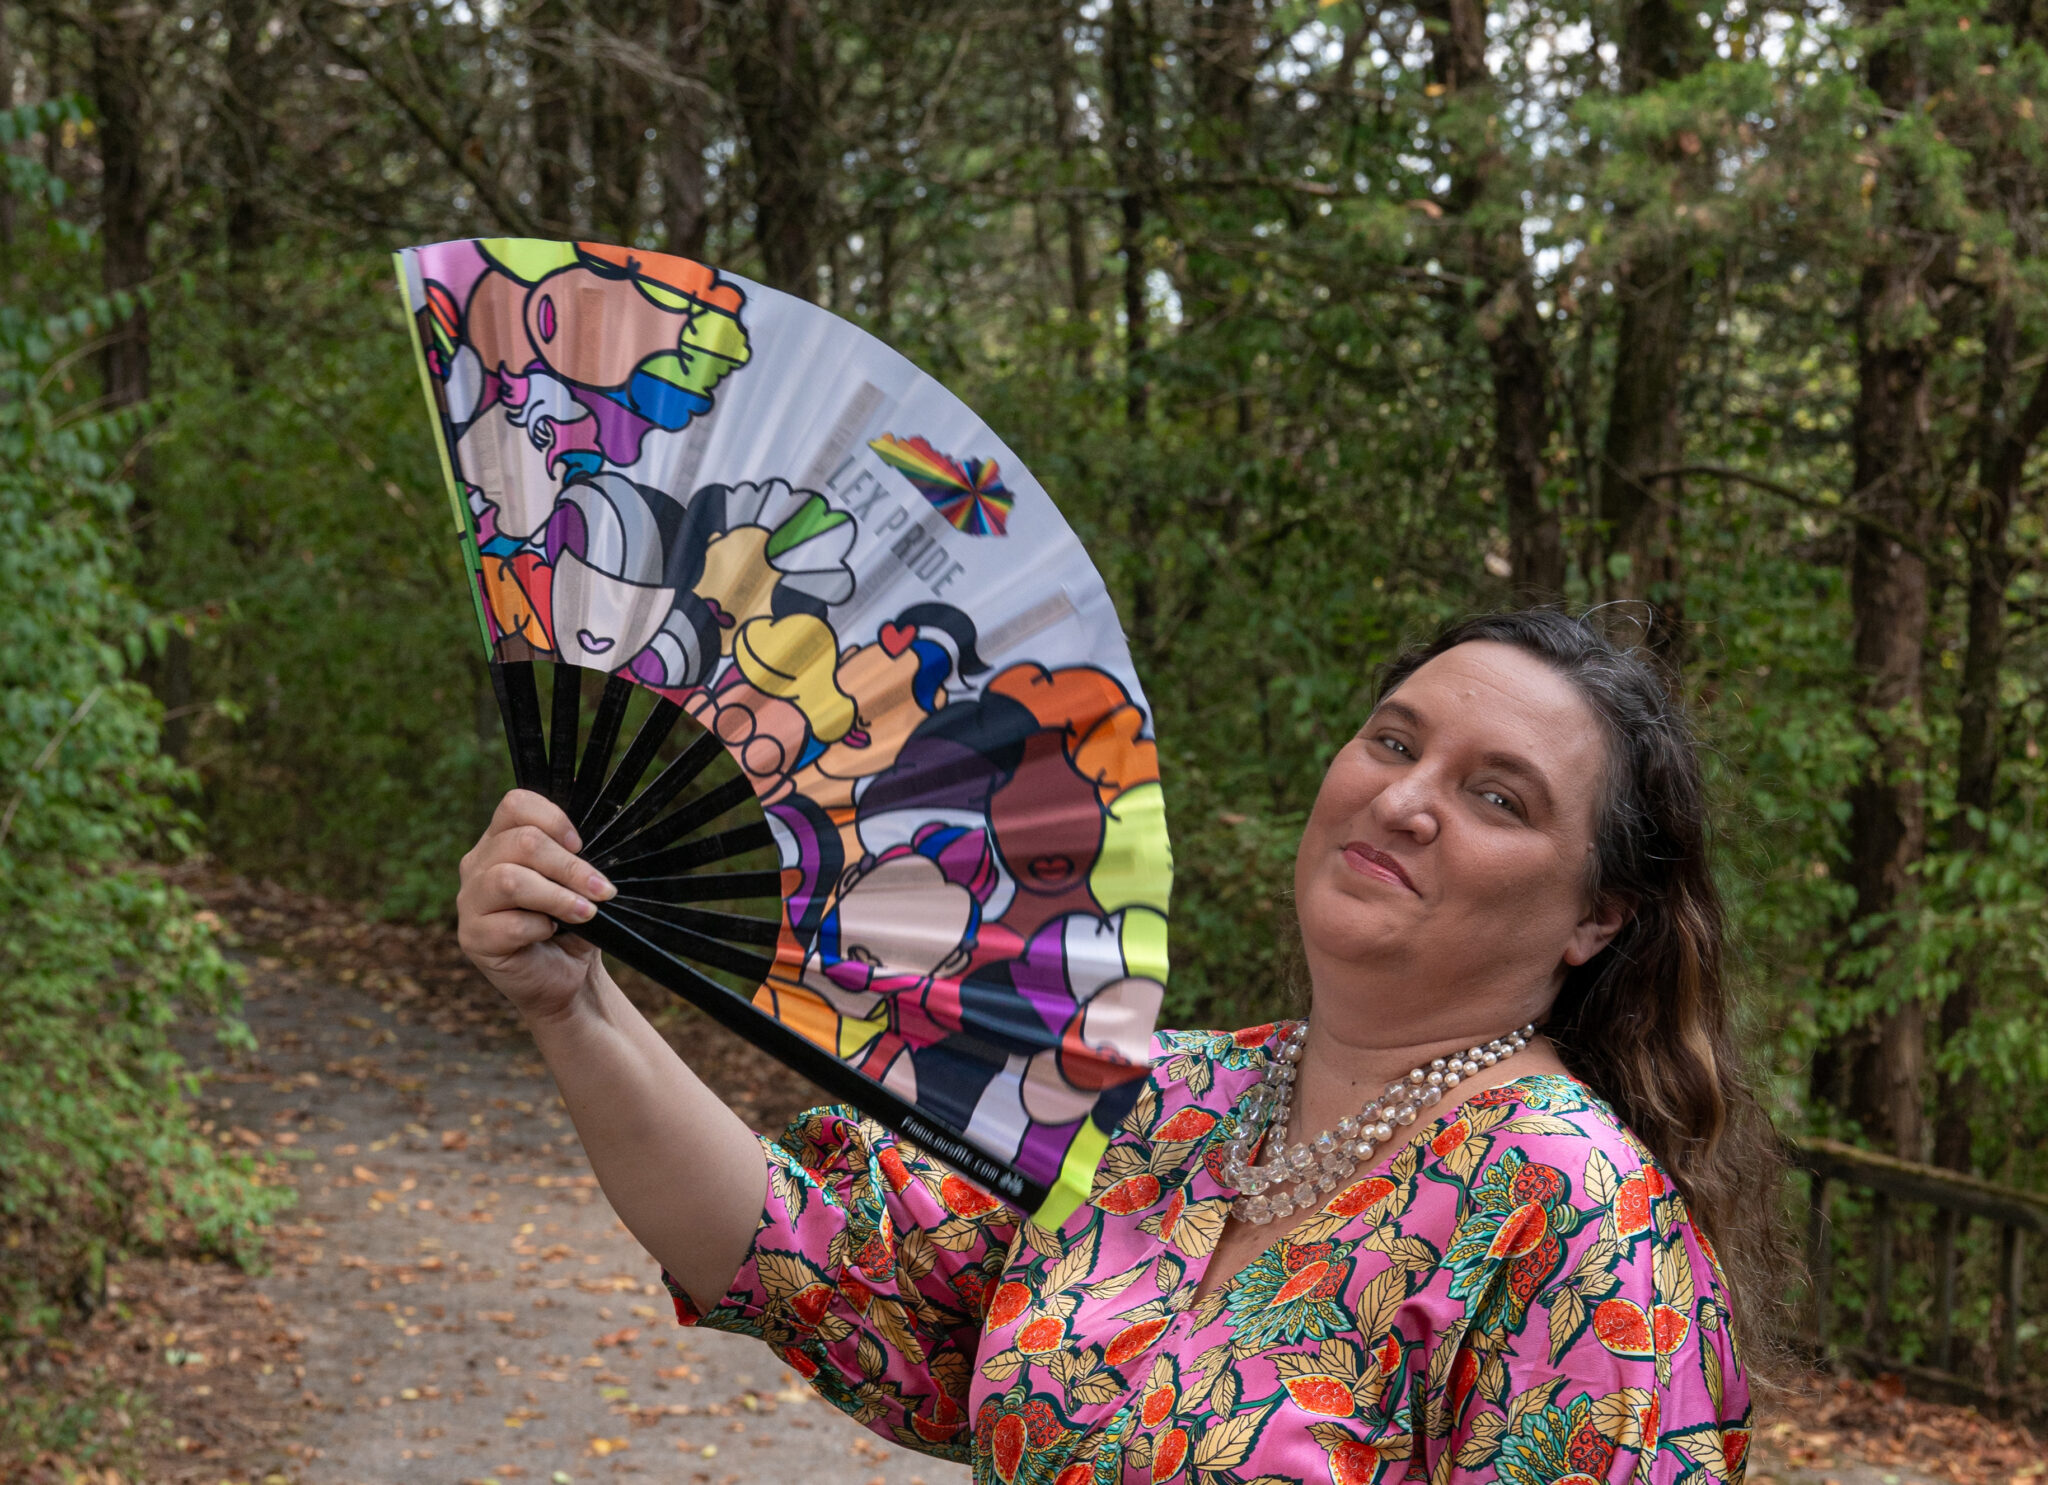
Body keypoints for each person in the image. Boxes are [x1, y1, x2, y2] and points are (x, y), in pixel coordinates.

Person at [455, 608, 1772, 1484]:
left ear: (1599, 915)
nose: (1408, 799)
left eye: (1498, 795)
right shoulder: (1163, 1096)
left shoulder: (1576, 1221)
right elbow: (817, 1264)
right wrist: (575, 1000)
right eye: (1394, 739)